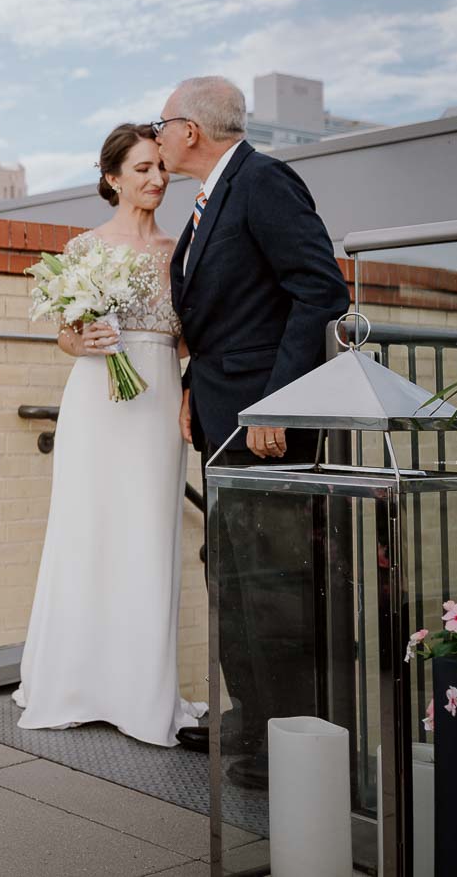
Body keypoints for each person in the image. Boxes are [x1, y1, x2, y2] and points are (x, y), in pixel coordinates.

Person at [158, 76, 348, 784]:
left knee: (274, 583)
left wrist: (279, 402)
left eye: (163, 121)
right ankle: (254, 717)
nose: (158, 133)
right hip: (220, 412)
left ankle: (292, 746)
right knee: (232, 573)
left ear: (191, 131)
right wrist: (189, 388)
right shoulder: (211, 198)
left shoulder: (265, 182)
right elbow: (226, 315)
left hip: (265, 422)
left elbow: (320, 289)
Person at [13, 124, 207, 748]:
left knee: (148, 537)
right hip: (96, 399)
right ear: (112, 178)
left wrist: (185, 388)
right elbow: (66, 334)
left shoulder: (181, 250)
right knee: (86, 532)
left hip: (155, 400)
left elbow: (188, 338)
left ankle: (141, 695)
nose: (156, 179)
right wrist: (83, 339)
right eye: (144, 169)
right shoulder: (82, 248)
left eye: (162, 169)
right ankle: (73, 685)